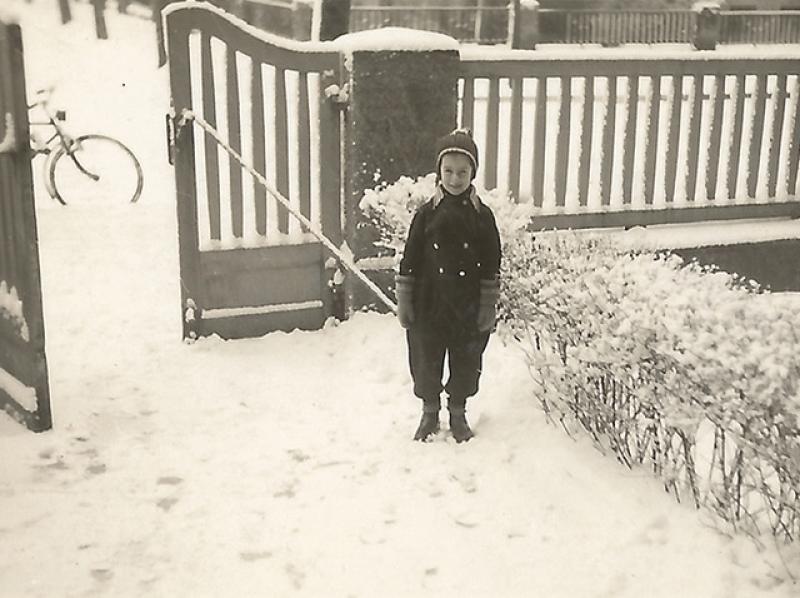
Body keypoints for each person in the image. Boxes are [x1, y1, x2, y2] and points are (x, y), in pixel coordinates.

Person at [395, 129, 502, 443]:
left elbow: (492, 262)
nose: (455, 179)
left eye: (463, 172)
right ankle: (429, 412)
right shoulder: (426, 214)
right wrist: (406, 300)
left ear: (473, 174)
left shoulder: (482, 217)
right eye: (448, 171)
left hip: (466, 305)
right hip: (430, 303)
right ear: (438, 172)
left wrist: (486, 305)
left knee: (466, 360)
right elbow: (410, 258)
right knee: (425, 359)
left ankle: (458, 412)